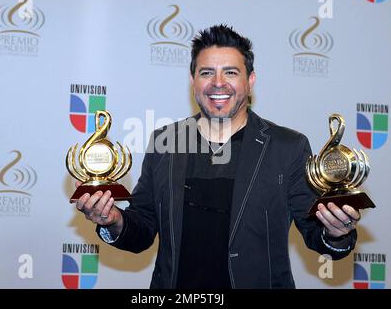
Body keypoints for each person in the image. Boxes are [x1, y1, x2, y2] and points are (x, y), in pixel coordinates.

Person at [72, 24, 360, 288]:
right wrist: (112, 221)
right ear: (193, 80)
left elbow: (316, 232)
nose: (218, 83)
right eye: (207, 72)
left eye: (231, 72)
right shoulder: (166, 141)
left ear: (250, 81)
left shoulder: (288, 147)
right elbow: (143, 228)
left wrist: (337, 233)